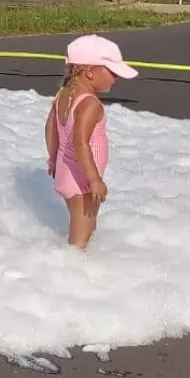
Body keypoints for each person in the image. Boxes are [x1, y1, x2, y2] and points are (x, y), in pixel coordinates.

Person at [45, 34, 138, 249]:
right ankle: (73, 268)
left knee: (85, 223)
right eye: (112, 72)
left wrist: (52, 158)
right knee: (79, 239)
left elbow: (51, 127)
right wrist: (94, 180)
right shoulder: (90, 104)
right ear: (90, 72)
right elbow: (80, 143)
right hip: (83, 180)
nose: (117, 78)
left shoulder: (64, 94)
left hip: (66, 172)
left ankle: (83, 253)